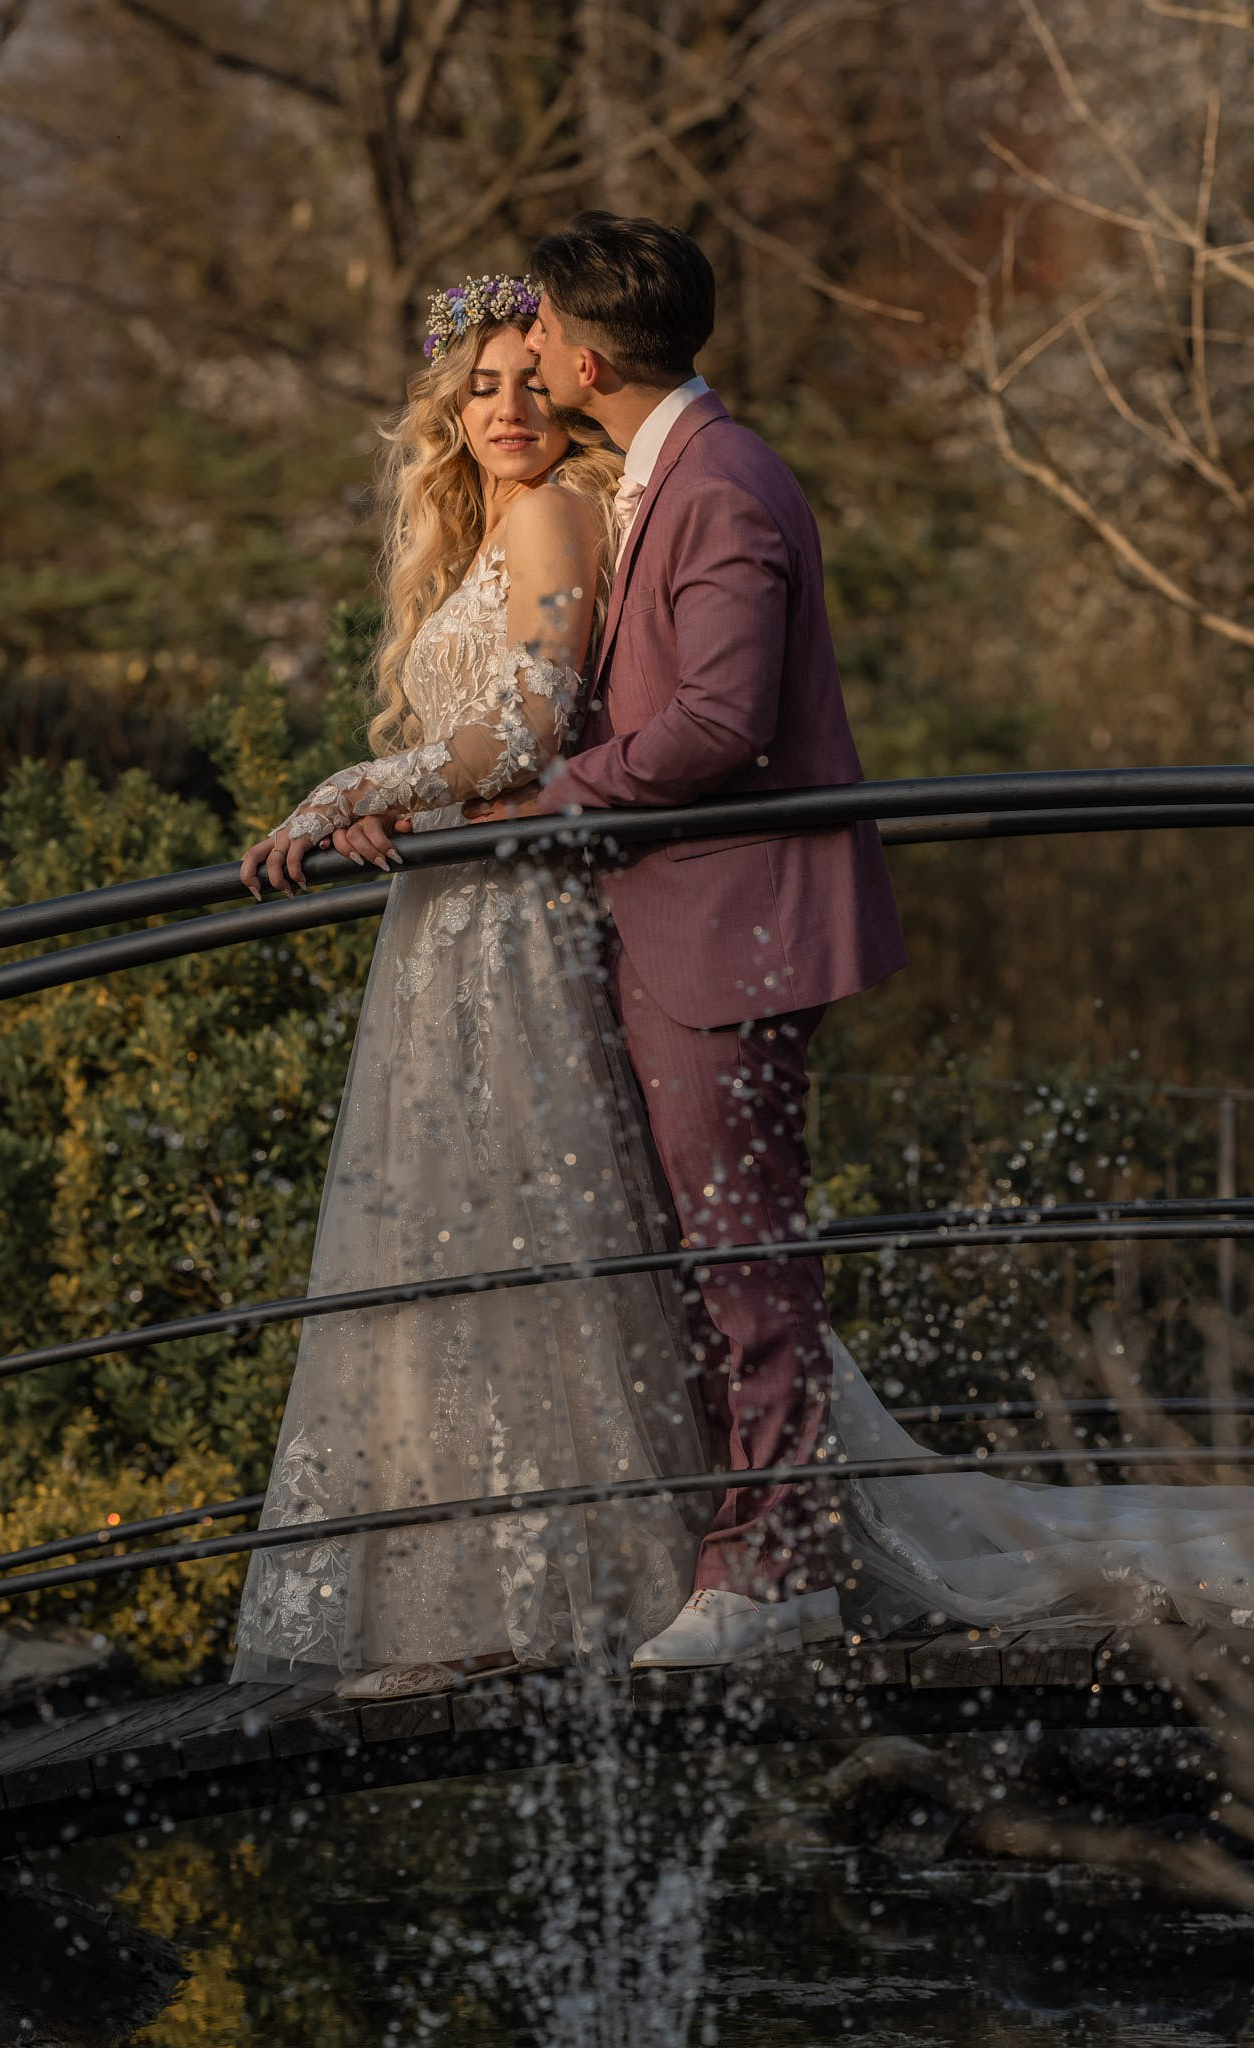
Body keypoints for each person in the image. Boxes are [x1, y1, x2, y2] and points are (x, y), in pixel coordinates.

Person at [230, 274, 709, 1699]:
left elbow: (524, 724)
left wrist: (347, 790)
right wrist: (400, 808)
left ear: (565, 386)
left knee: (518, 1200)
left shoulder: (560, 505)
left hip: (513, 922)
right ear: (445, 405)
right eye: (478, 385)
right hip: (449, 909)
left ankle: (562, 1588)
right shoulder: (483, 528)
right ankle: (475, 1585)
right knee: (447, 1209)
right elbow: (474, 743)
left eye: (526, 380)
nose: (506, 409)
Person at [467, 213, 907, 1669]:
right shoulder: (671, 471)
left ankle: (777, 1573)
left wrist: (552, 799)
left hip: (729, 927)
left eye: (532, 331)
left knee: (744, 1253)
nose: (517, 351)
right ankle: (741, 1545)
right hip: (681, 920)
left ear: (584, 359)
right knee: (709, 1249)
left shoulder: (718, 486)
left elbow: (718, 720)